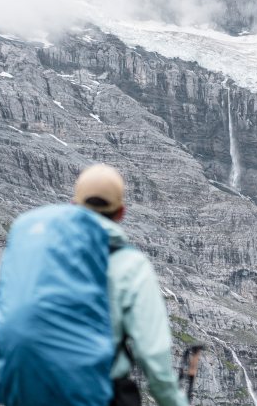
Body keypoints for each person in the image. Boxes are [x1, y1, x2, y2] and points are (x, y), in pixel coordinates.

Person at [74, 164, 189, 406]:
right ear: (121, 213)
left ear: (74, 207)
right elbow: (152, 353)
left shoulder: (42, 254)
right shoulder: (130, 265)